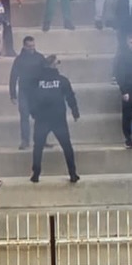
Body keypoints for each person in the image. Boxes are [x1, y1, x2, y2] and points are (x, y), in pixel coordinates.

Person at [28, 54, 81, 184]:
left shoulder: (36, 81)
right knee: (67, 146)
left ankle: (36, 174)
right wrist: (75, 111)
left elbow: (31, 98)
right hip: (58, 119)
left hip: (42, 118)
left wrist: (33, 113)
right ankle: (73, 173)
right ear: (53, 65)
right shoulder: (62, 80)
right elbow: (70, 96)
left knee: (38, 147)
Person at [8, 36, 46, 150]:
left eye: (33, 46)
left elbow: (47, 73)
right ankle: (25, 141)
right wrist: (13, 95)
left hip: (37, 92)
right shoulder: (19, 60)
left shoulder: (40, 58)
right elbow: (13, 77)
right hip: (24, 92)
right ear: (24, 46)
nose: (32, 48)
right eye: (29, 46)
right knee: (24, 116)